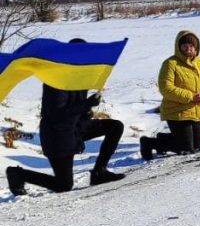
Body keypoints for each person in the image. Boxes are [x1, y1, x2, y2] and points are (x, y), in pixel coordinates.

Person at [6, 38, 125, 195]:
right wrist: (86, 104)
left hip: (76, 129)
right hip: (57, 136)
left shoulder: (80, 77)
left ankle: (99, 172)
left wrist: (87, 112)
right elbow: (59, 116)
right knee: (64, 185)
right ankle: (18, 174)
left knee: (115, 126)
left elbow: (77, 110)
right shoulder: (56, 80)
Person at [140, 31, 200, 159]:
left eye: (191, 46)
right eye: (185, 45)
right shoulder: (170, 63)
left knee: (197, 147)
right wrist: (191, 96)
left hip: (198, 110)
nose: (188, 48)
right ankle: (148, 142)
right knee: (185, 149)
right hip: (176, 111)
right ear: (178, 47)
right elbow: (166, 88)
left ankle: (163, 138)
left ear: (196, 47)